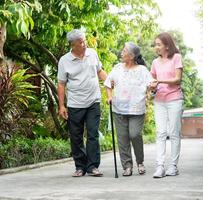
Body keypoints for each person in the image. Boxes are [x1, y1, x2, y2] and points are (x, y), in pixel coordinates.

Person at [57, 29, 107, 177]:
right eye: (80, 42)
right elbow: (61, 84)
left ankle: (92, 166)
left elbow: (100, 71)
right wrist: (61, 105)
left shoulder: (92, 53)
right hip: (75, 103)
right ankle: (80, 166)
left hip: (93, 101)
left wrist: (110, 81)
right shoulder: (64, 60)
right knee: (76, 136)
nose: (84, 44)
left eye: (84, 40)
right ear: (72, 45)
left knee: (93, 134)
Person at [104, 42, 153, 176]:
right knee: (122, 138)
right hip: (118, 108)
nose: (121, 53)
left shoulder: (142, 70)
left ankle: (140, 162)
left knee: (135, 134)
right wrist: (109, 97)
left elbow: (151, 85)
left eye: (124, 51)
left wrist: (152, 87)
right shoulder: (118, 68)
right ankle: (127, 166)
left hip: (137, 109)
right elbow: (108, 83)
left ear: (131, 56)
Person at [150, 32, 184, 178]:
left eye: (158, 44)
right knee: (161, 133)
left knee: (174, 133)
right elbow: (152, 81)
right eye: (155, 44)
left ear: (167, 45)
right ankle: (160, 166)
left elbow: (177, 79)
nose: (156, 47)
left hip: (175, 99)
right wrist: (151, 87)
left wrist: (160, 81)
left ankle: (173, 166)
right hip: (159, 101)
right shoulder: (155, 62)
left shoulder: (176, 58)